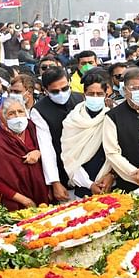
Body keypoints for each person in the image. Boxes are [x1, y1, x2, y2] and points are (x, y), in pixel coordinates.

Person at [0, 97, 50, 210]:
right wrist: (24, 200)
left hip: (43, 194)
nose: (17, 116)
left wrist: (39, 153)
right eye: (11, 113)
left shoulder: (33, 128)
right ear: (4, 117)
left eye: (20, 111)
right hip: (16, 202)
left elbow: (49, 151)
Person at [31, 67, 83, 201]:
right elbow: (46, 148)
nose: (61, 93)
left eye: (65, 89)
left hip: (88, 167)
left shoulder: (81, 99)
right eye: (55, 91)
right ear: (45, 90)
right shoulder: (39, 111)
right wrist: (55, 182)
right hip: (62, 172)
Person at [61, 69, 115, 197]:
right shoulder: (72, 121)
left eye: (99, 94)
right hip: (83, 188)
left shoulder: (112, 117)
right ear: (84, 95)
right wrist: (89, 184)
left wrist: (111, 175)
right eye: (91, 94)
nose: (95, 97)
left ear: (106, 95)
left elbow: (119, 152)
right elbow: (70, 158)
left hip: (109, 185)